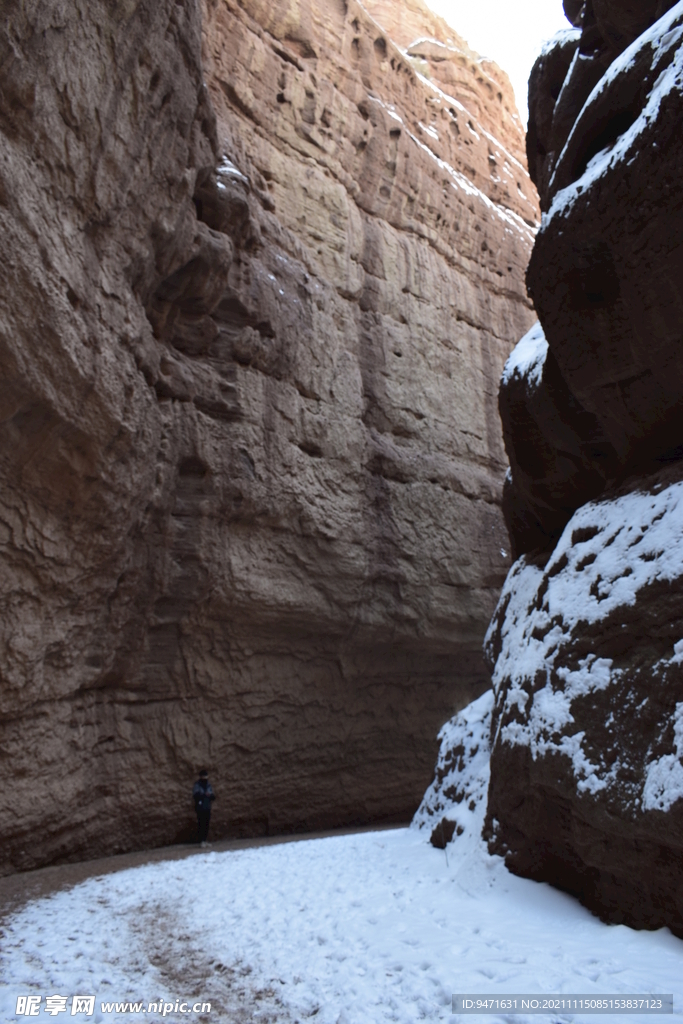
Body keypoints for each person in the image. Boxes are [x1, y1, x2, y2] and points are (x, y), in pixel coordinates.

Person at [192, 769, 216, 847]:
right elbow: (195, 795)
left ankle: (205, 840)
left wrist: (210, 795)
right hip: (200, 807)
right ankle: (201, 841)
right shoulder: (197, 785)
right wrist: (204, 795)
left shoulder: (208, 785)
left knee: (206, 824)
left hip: (207, 807)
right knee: (201, 824)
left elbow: (213, 796)